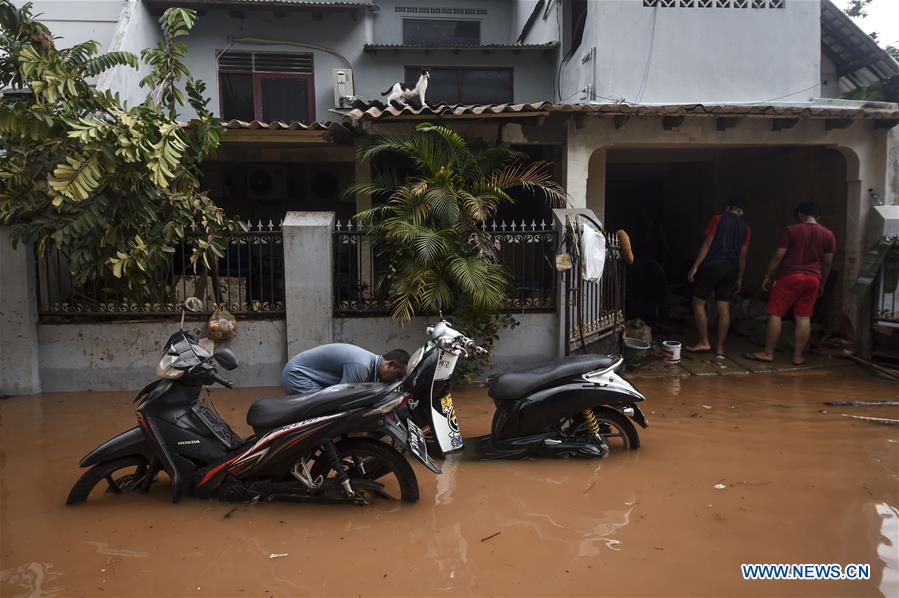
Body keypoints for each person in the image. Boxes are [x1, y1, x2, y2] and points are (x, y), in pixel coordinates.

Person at [745, 202, 835, 366]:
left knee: (776, 314)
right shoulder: (828, 234)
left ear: (800, 215)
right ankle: (798, 356)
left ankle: (768, 353)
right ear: (818, 217)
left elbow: (779, 255)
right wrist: (822, 282)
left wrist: (768, 275)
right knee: (803, 317)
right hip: (813, 279)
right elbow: (828, 262)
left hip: (790, 277)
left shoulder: (792, 230)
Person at [686, 197, 751, 357]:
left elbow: (708, 243)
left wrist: (695, 265)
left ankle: (704, 341)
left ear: (728, 208)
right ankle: (720, 348)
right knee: (724, 307)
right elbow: (743, 256)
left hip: (713, 266)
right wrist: (740, 277)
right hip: (731, 269)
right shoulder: (745, 228)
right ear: (741, 212)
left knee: (698, 302)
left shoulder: (718, 219)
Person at [281, 343, 410, 395]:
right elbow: (341, 397)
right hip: (297, 375)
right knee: (322, 412)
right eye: (397, 375)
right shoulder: (362, 366)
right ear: (389, 365)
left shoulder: (370, 365)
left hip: (304, 374)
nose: (395, 380)